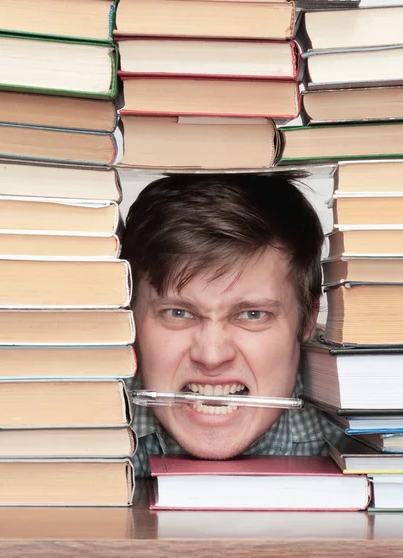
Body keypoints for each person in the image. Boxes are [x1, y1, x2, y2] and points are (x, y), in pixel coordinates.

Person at [121, 172, 333, 477]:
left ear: (307, 321)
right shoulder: (72, 439)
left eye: (252, 315)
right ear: (128, 318)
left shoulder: (360, 443)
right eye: (178, 313)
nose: (211, 356)